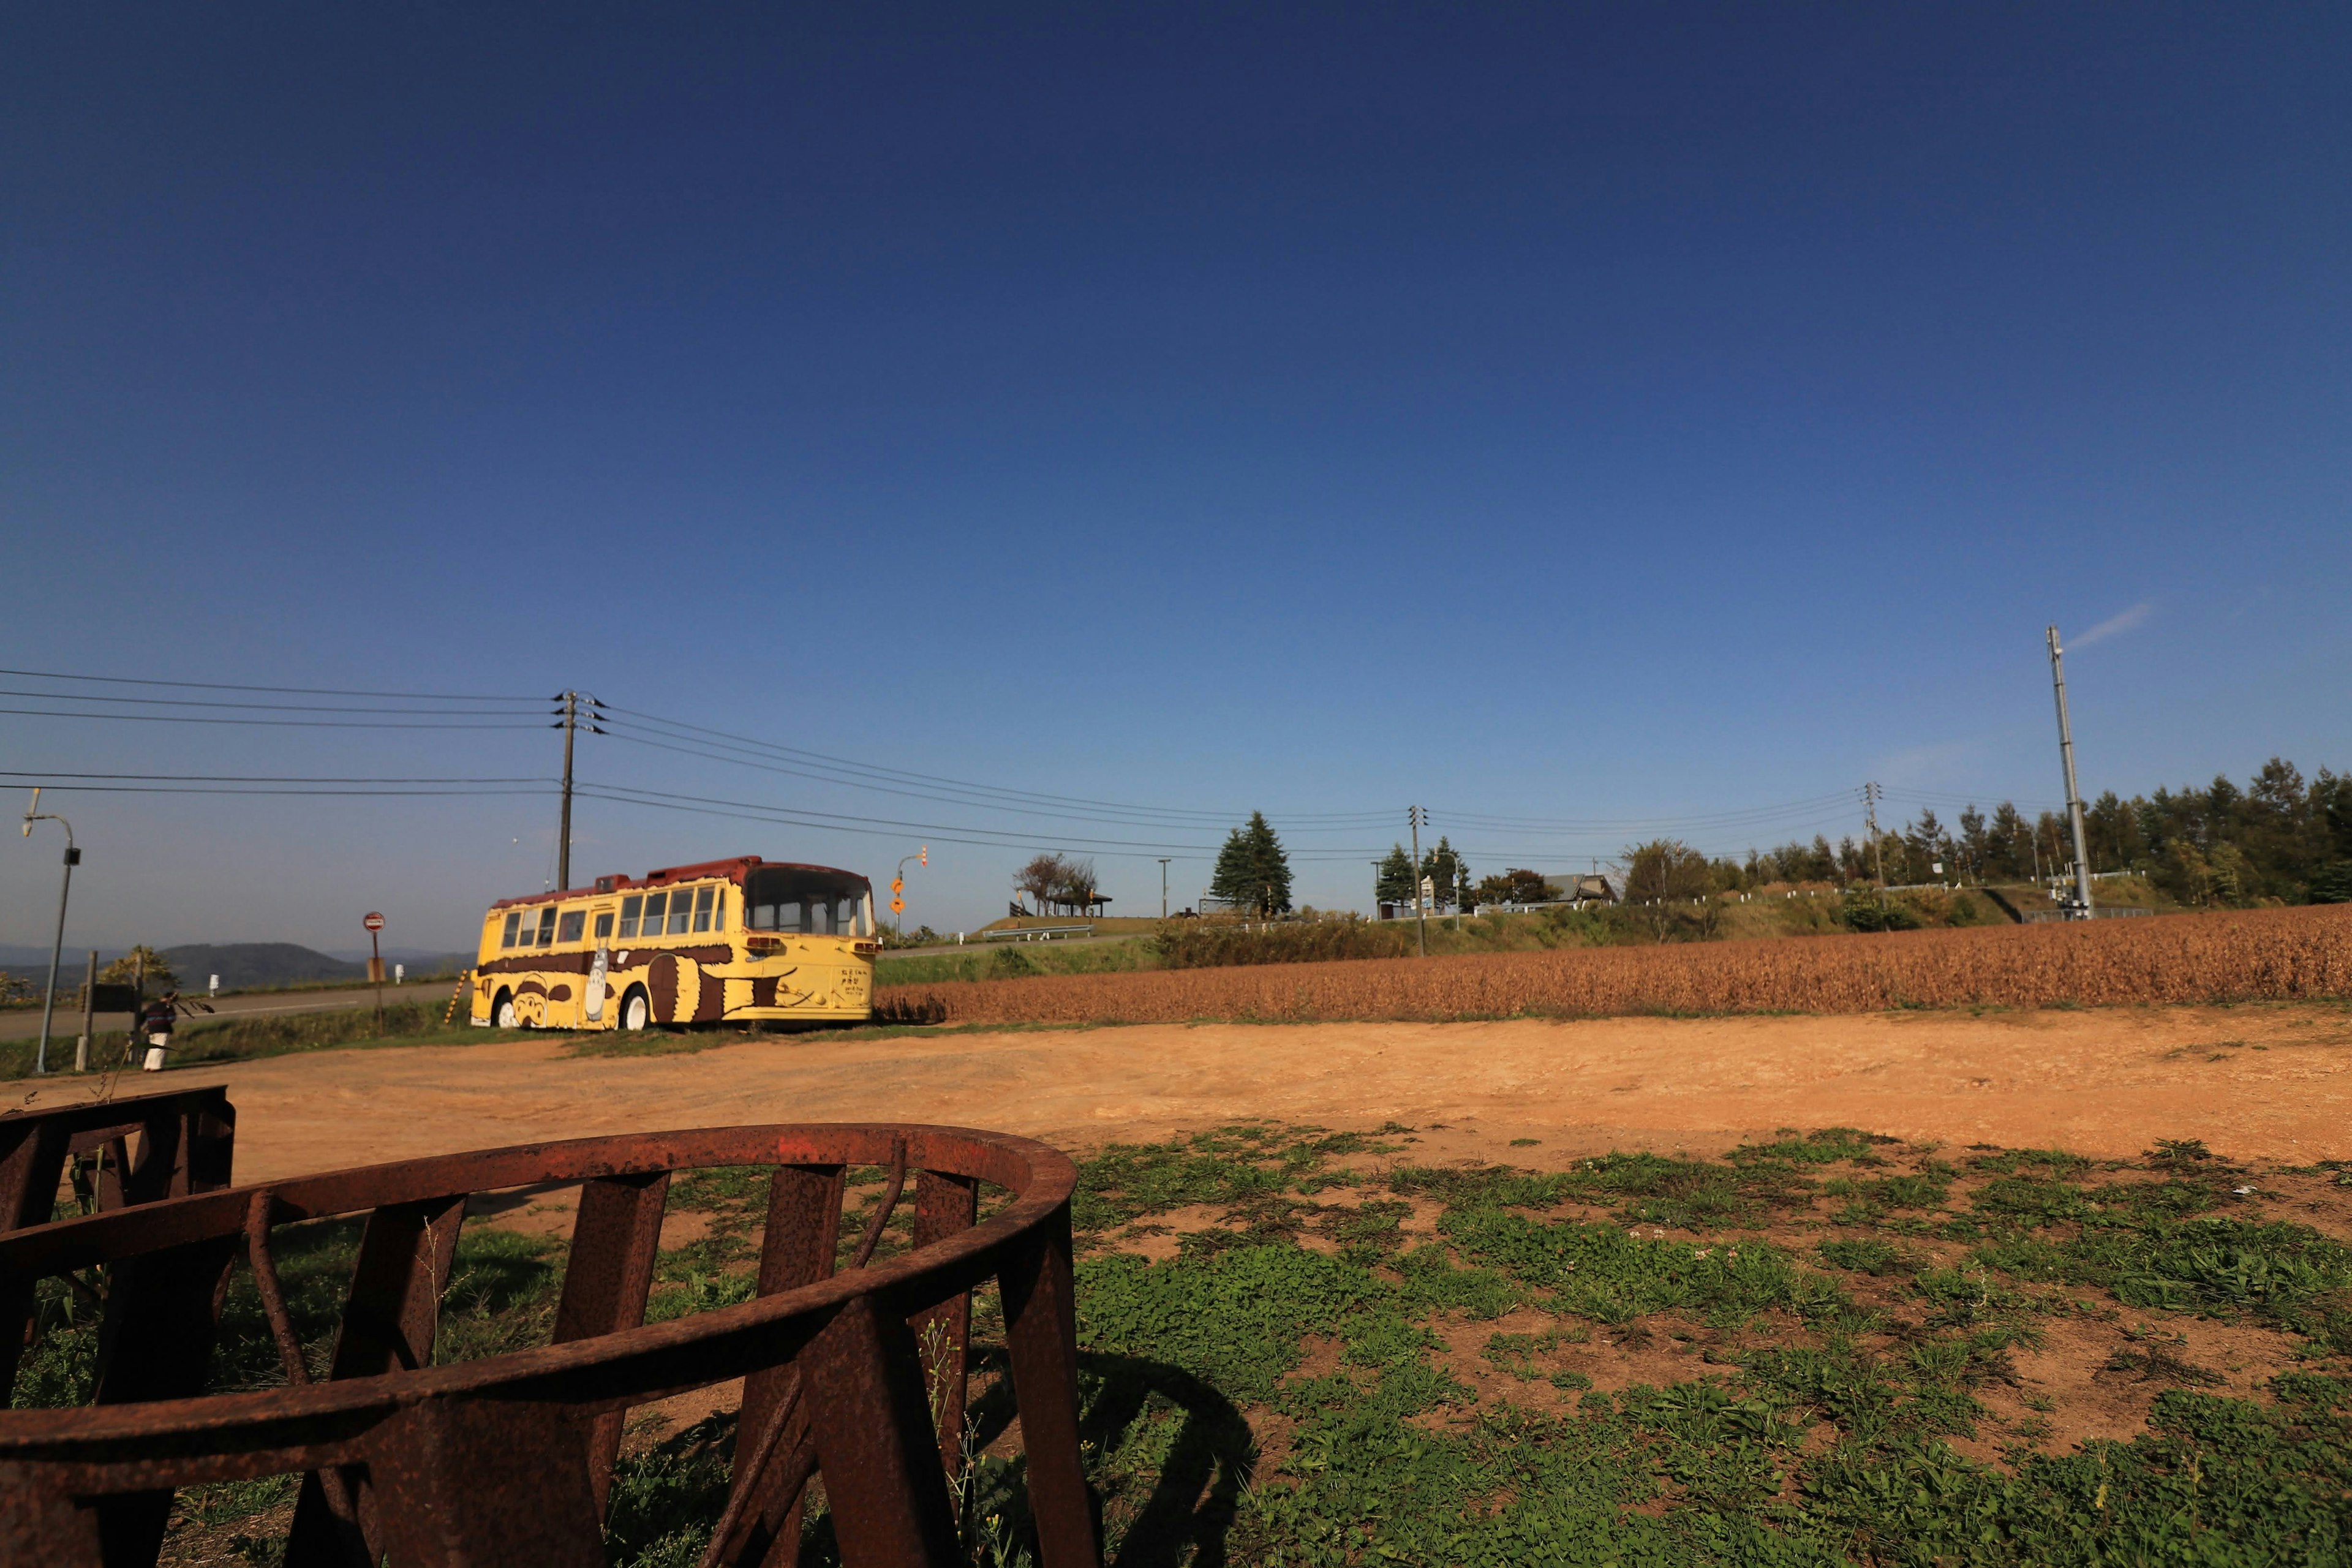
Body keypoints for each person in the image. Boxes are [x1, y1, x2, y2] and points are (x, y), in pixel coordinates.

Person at [138, 990, 178, 1072]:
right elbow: (171, 1019)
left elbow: (143, 1018)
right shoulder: (168, 1007)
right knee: (160, 1048)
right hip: (163, 1029)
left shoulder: (152, 1007)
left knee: (152, 1048)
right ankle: (156, 1066)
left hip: (152, 1029)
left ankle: (148, 1066)